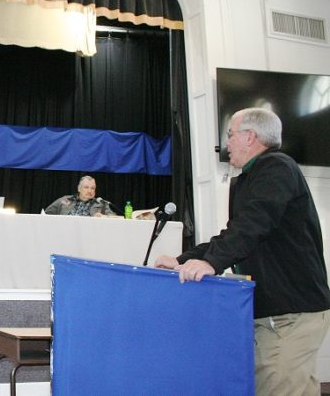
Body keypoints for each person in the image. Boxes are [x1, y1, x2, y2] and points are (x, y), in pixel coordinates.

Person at [154, 107, 330, 394]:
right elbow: (234, 233)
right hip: (276, 313)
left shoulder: (277, 168)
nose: (227, 143)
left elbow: (253, 224)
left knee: (276, 387)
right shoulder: (251, 177)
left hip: (291, 314)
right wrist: (183, 259)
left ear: (251, 137)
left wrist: (210, 263)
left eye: (231, 135)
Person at [44, 175, 116, 217]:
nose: (90, 191)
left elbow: (114, 218)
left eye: (92, 188)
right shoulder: (65, 200)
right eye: (86, 187)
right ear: (79, 188)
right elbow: (45, 214)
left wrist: (103, 217)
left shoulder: (101, 204)